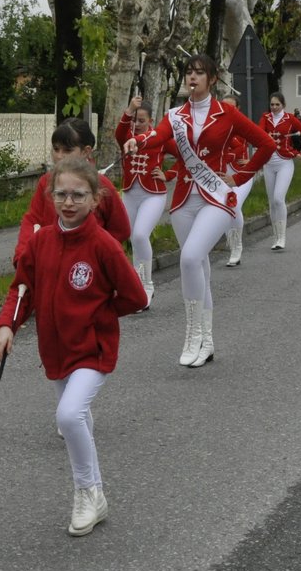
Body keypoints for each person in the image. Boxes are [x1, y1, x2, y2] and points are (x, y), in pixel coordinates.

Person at [0, 158, 149, 536]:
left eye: (78, 195)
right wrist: (6, 325)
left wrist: (99, 315)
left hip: (93, 349)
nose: (68, 202)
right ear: (50, 196)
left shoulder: (104, 246)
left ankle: (87, 492)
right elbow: (21, 288)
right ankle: (95, 493)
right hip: (55, 349)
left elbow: (136, 296)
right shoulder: (41, 241)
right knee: (78, 416)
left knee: (67, 416)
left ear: (96, 199)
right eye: (61, 194)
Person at [123, 54, 274, 367]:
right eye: (189, 72)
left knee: (190, 257)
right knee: (199, 268)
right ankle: (206, 341)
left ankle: (192, 334)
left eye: (199, 72)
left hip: (216, 197)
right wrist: (137, 141)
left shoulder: (227, 114)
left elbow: (266, 145)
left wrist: (239, 176)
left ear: (212, 79)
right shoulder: (175, 115)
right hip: (182, 200)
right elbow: (157, 137)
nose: (192, 77)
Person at [15, 118, 131, 264]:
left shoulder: (101, 185)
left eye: (67, 150)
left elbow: (121, 228)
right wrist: (23, 258)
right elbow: (32, 220)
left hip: (86, 270)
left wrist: (99, 257)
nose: (59, 156)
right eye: (56, 149)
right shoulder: (46, 182)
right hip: (49, 264)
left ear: (86, 151)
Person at [114, 96, 168, 306]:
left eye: (141, 121)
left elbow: (185, 157)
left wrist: (169, 174)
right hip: (129, 193)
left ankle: (146, 286)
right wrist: (129, 110)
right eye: (135, 121)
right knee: (131, 238)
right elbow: (120, 133)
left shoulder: (159, 138)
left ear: (151, 120)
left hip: (153, 195)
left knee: (139, 235)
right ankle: (135, 286)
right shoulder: (127, 137)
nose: (136, 125)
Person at [258, 91, 301, 251]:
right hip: (268, 163)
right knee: (271, 202)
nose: (274, 107)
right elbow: (258, 133)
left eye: (278, 104)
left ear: (283, 105)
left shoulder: (290, 118)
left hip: (285, 162)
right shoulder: (265, 118)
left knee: (278, 199)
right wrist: (265, 136)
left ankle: (282, 237)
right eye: (272, 104)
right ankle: (275, 237)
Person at [217, 94, 257, 268]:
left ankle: (237, 247)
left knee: (233, 205)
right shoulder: (215, 125)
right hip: (223, 176)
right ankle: (232, 244)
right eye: (223, 106)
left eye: (231, 107)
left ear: (238, 109)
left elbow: (265, 143)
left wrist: (253, 161)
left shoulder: (243, 125)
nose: (227, 110)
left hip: (242, 175)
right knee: (225, 208)